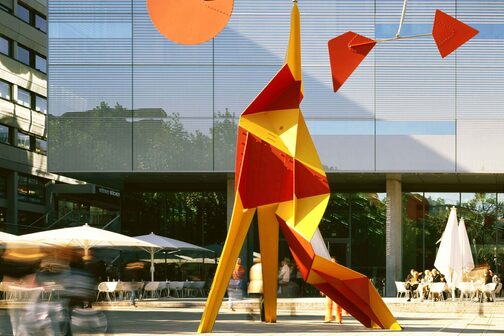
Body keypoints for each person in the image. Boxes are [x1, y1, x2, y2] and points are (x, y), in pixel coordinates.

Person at [322, 257, 342, 324]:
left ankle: (338, 319)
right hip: (329, 289)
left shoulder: (339, 270)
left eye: (333, 262)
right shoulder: (327, 270)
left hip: (337, 289)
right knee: (328, 304)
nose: (332, 263)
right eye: (331, 262)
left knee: (338, 305)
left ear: (336, 263)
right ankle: (328, 318)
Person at [247, 257, 264, 321]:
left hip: (252, 286)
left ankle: (251, 314)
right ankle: (262, 316)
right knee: (262, 302)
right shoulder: (263, 267)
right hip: (261, 286)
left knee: (253, 301)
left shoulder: (253, 267)